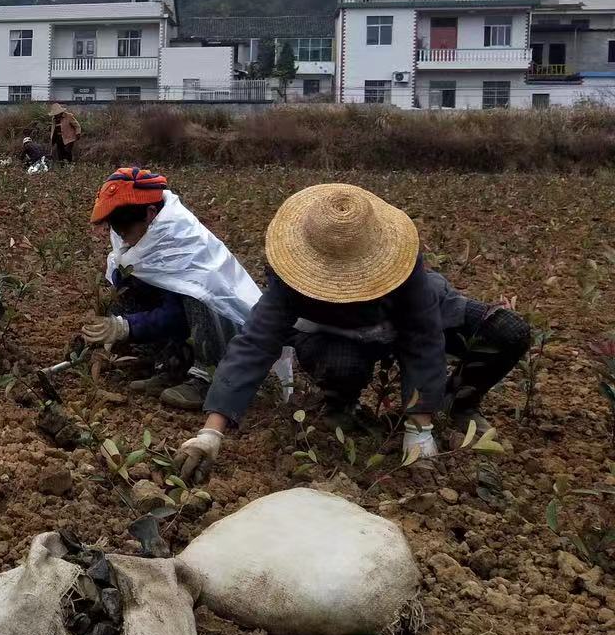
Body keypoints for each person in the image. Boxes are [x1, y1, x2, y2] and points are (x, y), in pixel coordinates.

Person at [172, 184, 531, 482]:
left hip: (402, 316)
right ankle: (341, 404)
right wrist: (211, 432)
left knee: (507, 331)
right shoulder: (290, 280)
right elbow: (255, 343)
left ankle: (459, 402)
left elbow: (422, 338)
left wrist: (420, 427)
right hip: (336, 334)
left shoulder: (405, 267)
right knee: (342, 364)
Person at [79, 168, 291, 409]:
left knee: (199, 293)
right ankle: (171, 366)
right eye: (117, 231)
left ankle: (208, 378)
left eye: (125, 230)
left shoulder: (181, 242)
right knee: (128, 283)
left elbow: (177, 312)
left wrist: (127, 326)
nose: (122, 238)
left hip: (228, 330)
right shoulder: (141, 230)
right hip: (185, 321)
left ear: (150, 214)